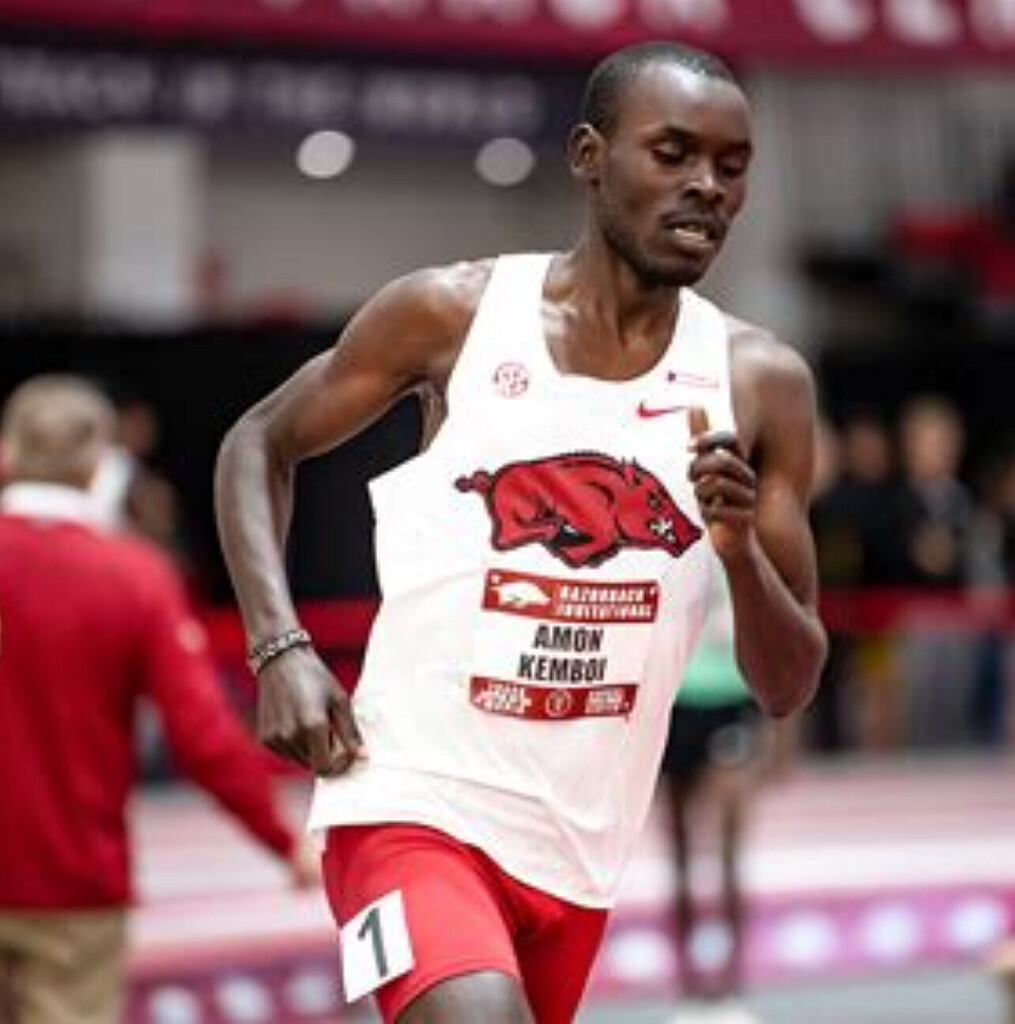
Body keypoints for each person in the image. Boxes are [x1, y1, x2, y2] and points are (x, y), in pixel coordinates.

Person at [215, 40, 827, 1024]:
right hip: (406, 805)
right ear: (589, 156)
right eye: (673, 153)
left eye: (732, 164)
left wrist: (738, 553)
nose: (707, 186)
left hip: (576, 855)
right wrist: (277, 647)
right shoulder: (452, 314)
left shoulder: (758, 382)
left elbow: (788, 681)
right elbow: (256, 443)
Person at [0, 375, 318, 1024]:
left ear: (6, 454)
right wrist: (282, 840)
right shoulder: (135, 578)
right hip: (73, 885)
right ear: (100, 467)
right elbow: (203, 736)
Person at [659, 549, 784, 1024]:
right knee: (680, 854)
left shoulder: (742, 527)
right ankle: (690, 987)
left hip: (731, 696)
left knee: (730, 845)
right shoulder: (661, 529)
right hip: (674, 700)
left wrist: (781, 729)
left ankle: (732, 984)